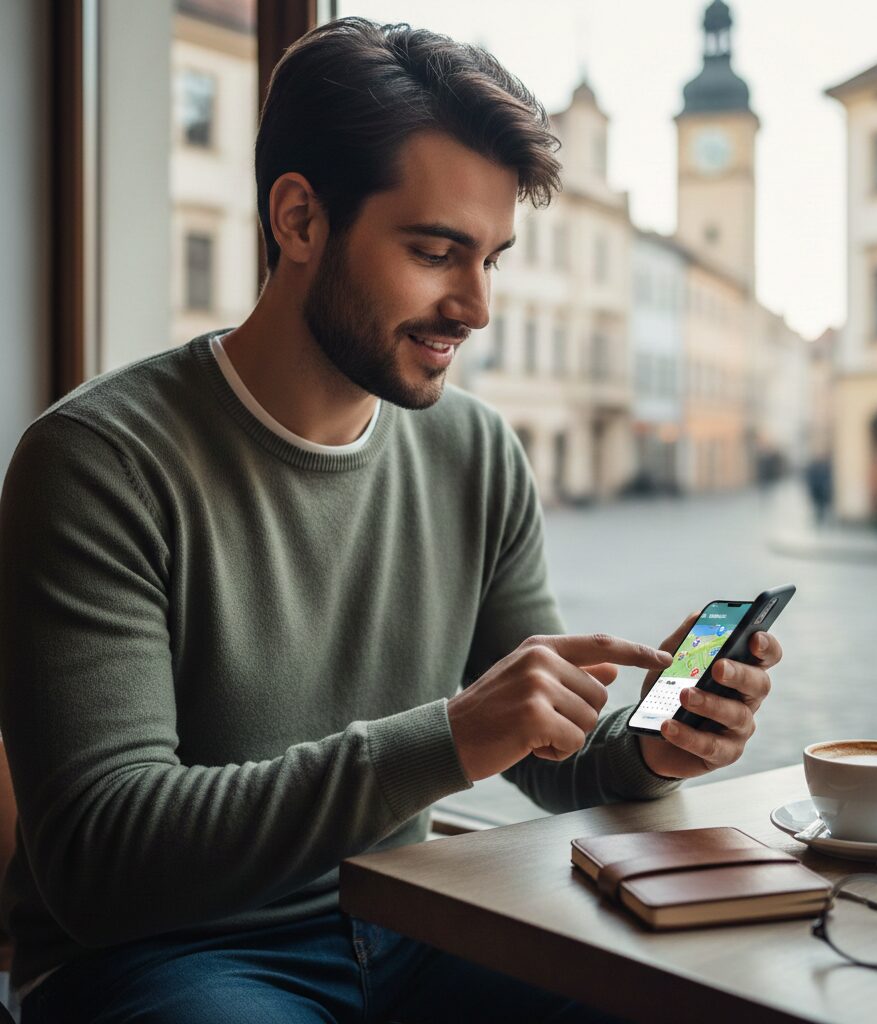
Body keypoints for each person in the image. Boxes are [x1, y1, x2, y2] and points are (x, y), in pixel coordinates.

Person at [0, 18, 782, 1023]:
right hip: (161, 956)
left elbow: (549, 754)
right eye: (435, 252)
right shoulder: (97, 460)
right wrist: (447, 736)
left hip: (414, 922)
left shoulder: (477, 451)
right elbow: (102, 860)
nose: (476, 306)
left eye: (491, 258)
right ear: (297, 220)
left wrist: (651, 746)